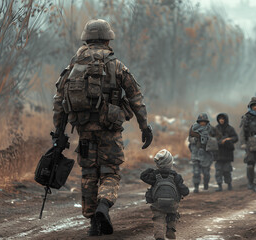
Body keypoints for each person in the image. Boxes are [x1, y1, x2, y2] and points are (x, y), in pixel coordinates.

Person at [52, 19, 153, 236]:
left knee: (89, 172)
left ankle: (92, 223)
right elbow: (135, 96)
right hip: (110, 130)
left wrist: (58, 133)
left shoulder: (73, 66)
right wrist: (144, 126)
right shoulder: (116, 64)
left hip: (84, 129)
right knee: (110, 172)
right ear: (108, 39)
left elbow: (59, 101)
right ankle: (103, 206)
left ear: (86, 39)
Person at [140, 149, 189, 240]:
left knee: (158, 218)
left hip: (158, 203)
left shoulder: (154, 175)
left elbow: (143, 176)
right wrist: (185, 192)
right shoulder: (176, 176)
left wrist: (151, 169)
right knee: (172, 214)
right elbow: (184, 190)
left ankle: (159, 235)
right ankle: (170, 230)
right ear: (171, 163)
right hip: (172, 203)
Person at [189, 113, 221, 193]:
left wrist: (211, 140)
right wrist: (194, 139)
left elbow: (219, 136)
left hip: (207, 153)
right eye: (201, 121)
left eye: (204, 121)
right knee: (196, 172)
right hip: (196, 152)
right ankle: (196, 187)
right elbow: (190, 138)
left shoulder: (211, 129)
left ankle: (206, 183)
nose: (202, 123)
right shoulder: (193, 128)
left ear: (206, 121)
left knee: (206, 172)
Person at [214, 113, 238, 191]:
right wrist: (219, 141)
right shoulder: (216, 129)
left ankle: (229, 184)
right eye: (220, 119)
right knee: (218, 171)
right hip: (218, 154)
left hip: (227, 153)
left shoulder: (230, 129)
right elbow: (211, 139)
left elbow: (235, 138)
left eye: (223, 119)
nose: (221, 120)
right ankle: (219, 185)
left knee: (227, 170)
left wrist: (228, 139)